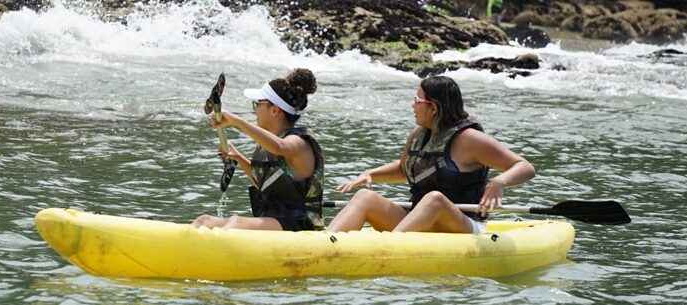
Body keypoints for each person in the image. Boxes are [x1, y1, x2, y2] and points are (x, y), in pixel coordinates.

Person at [328, 75, 535, 233]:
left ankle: (388, 248)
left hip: (463, 226)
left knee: (435, 199)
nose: (412, 104)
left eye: (417, 100)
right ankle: (325, 243)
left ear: (433, 107)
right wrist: (371, 174)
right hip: (418, 221)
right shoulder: (418, 134)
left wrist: (499, 182)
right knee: (365, 197)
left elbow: (525, 167)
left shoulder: (470, 139)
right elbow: (404, 169)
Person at [191, 68, 325, 231]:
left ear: (275, 110)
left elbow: (279, 147)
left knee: (236, 224)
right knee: (204, 221)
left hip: (300, 225)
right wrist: (238, 157)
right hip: (274, 220)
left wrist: (236, 121)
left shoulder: (298, 143)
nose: (255, 110)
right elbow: (264, 182)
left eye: (257, 104)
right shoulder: (268, 142)